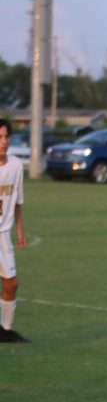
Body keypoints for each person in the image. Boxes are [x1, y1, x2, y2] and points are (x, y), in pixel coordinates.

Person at [0, 119, 28, 343]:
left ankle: (6, 330)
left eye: (6, 137)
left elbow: (17, 201)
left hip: (3, 235)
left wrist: (19, 230)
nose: (4, 142)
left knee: (12, 283)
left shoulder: (16, 166)